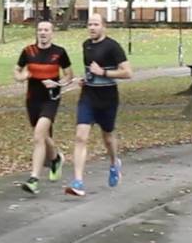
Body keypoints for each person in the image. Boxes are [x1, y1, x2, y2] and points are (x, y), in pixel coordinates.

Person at [65, 12, 133, 197]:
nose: (92, 28)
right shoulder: (86, 45)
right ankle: (78, 181)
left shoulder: (113, 47)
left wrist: (103, 72)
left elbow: (128, 73)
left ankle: (114, 163)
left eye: (95, 24)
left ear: (103, 26)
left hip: (108, 98)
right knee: (80, 137)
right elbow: (90, 71)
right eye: (89, 24)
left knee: (108, 138)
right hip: (88, 97)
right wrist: (85, 79)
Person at [14, 20, 73, 194]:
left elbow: (69, 75)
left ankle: (34, 179)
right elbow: (17, 71)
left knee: (39, 135)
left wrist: (57, 83)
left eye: (46, 30)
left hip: (51, 99)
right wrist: (21, 76)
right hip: (32, 99)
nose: (43, 33)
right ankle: (55, 159)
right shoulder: (28, 51)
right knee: (43, 135)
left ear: (52, 33)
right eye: (40, 30)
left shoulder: (59, 52)